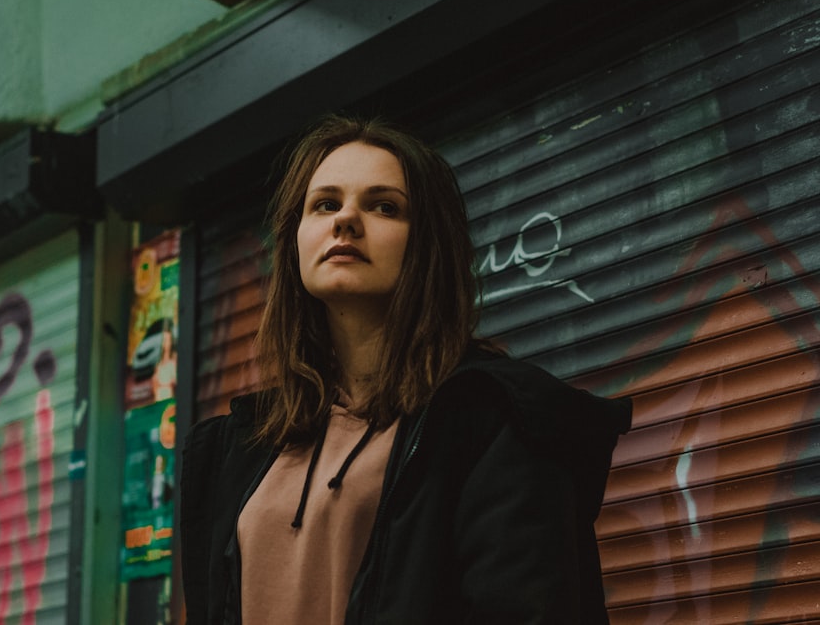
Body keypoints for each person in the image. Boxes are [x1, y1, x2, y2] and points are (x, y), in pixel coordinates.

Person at [180, 114, 632, 624]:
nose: (345, 220)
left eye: (384, 207)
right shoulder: (244, 444)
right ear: (295, 242)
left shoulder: (491, 421)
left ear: (428, 244)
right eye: (325, 204)